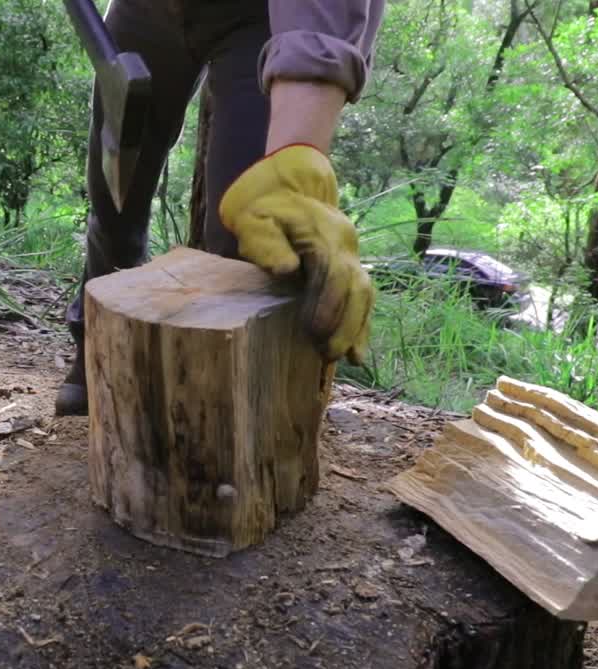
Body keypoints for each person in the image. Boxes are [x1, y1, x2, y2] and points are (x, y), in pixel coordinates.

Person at [56, 0, 385, 416]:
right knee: (115, 205)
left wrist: (296, 153)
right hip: (145, 9)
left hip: (259, 17)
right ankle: (97, 350)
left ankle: (239, 404)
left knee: (255, 241)